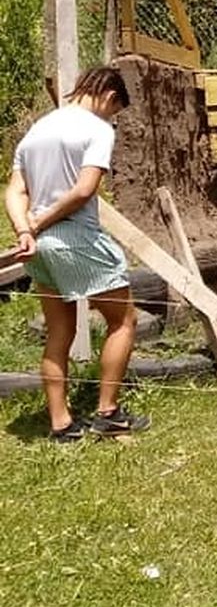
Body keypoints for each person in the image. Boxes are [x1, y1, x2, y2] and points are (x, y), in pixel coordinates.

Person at [6, 67, 150, 441]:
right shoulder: (98, 129)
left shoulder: (36, 130)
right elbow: (85, 189)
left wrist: (25, 229)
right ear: (109, 96)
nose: (111, 117)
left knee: (59, 330)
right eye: (114, 109)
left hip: (38, 249)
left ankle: (61, 423)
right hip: (74, 239)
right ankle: (108, 413)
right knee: (124, 321)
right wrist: (39, 223)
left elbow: (14, 191)